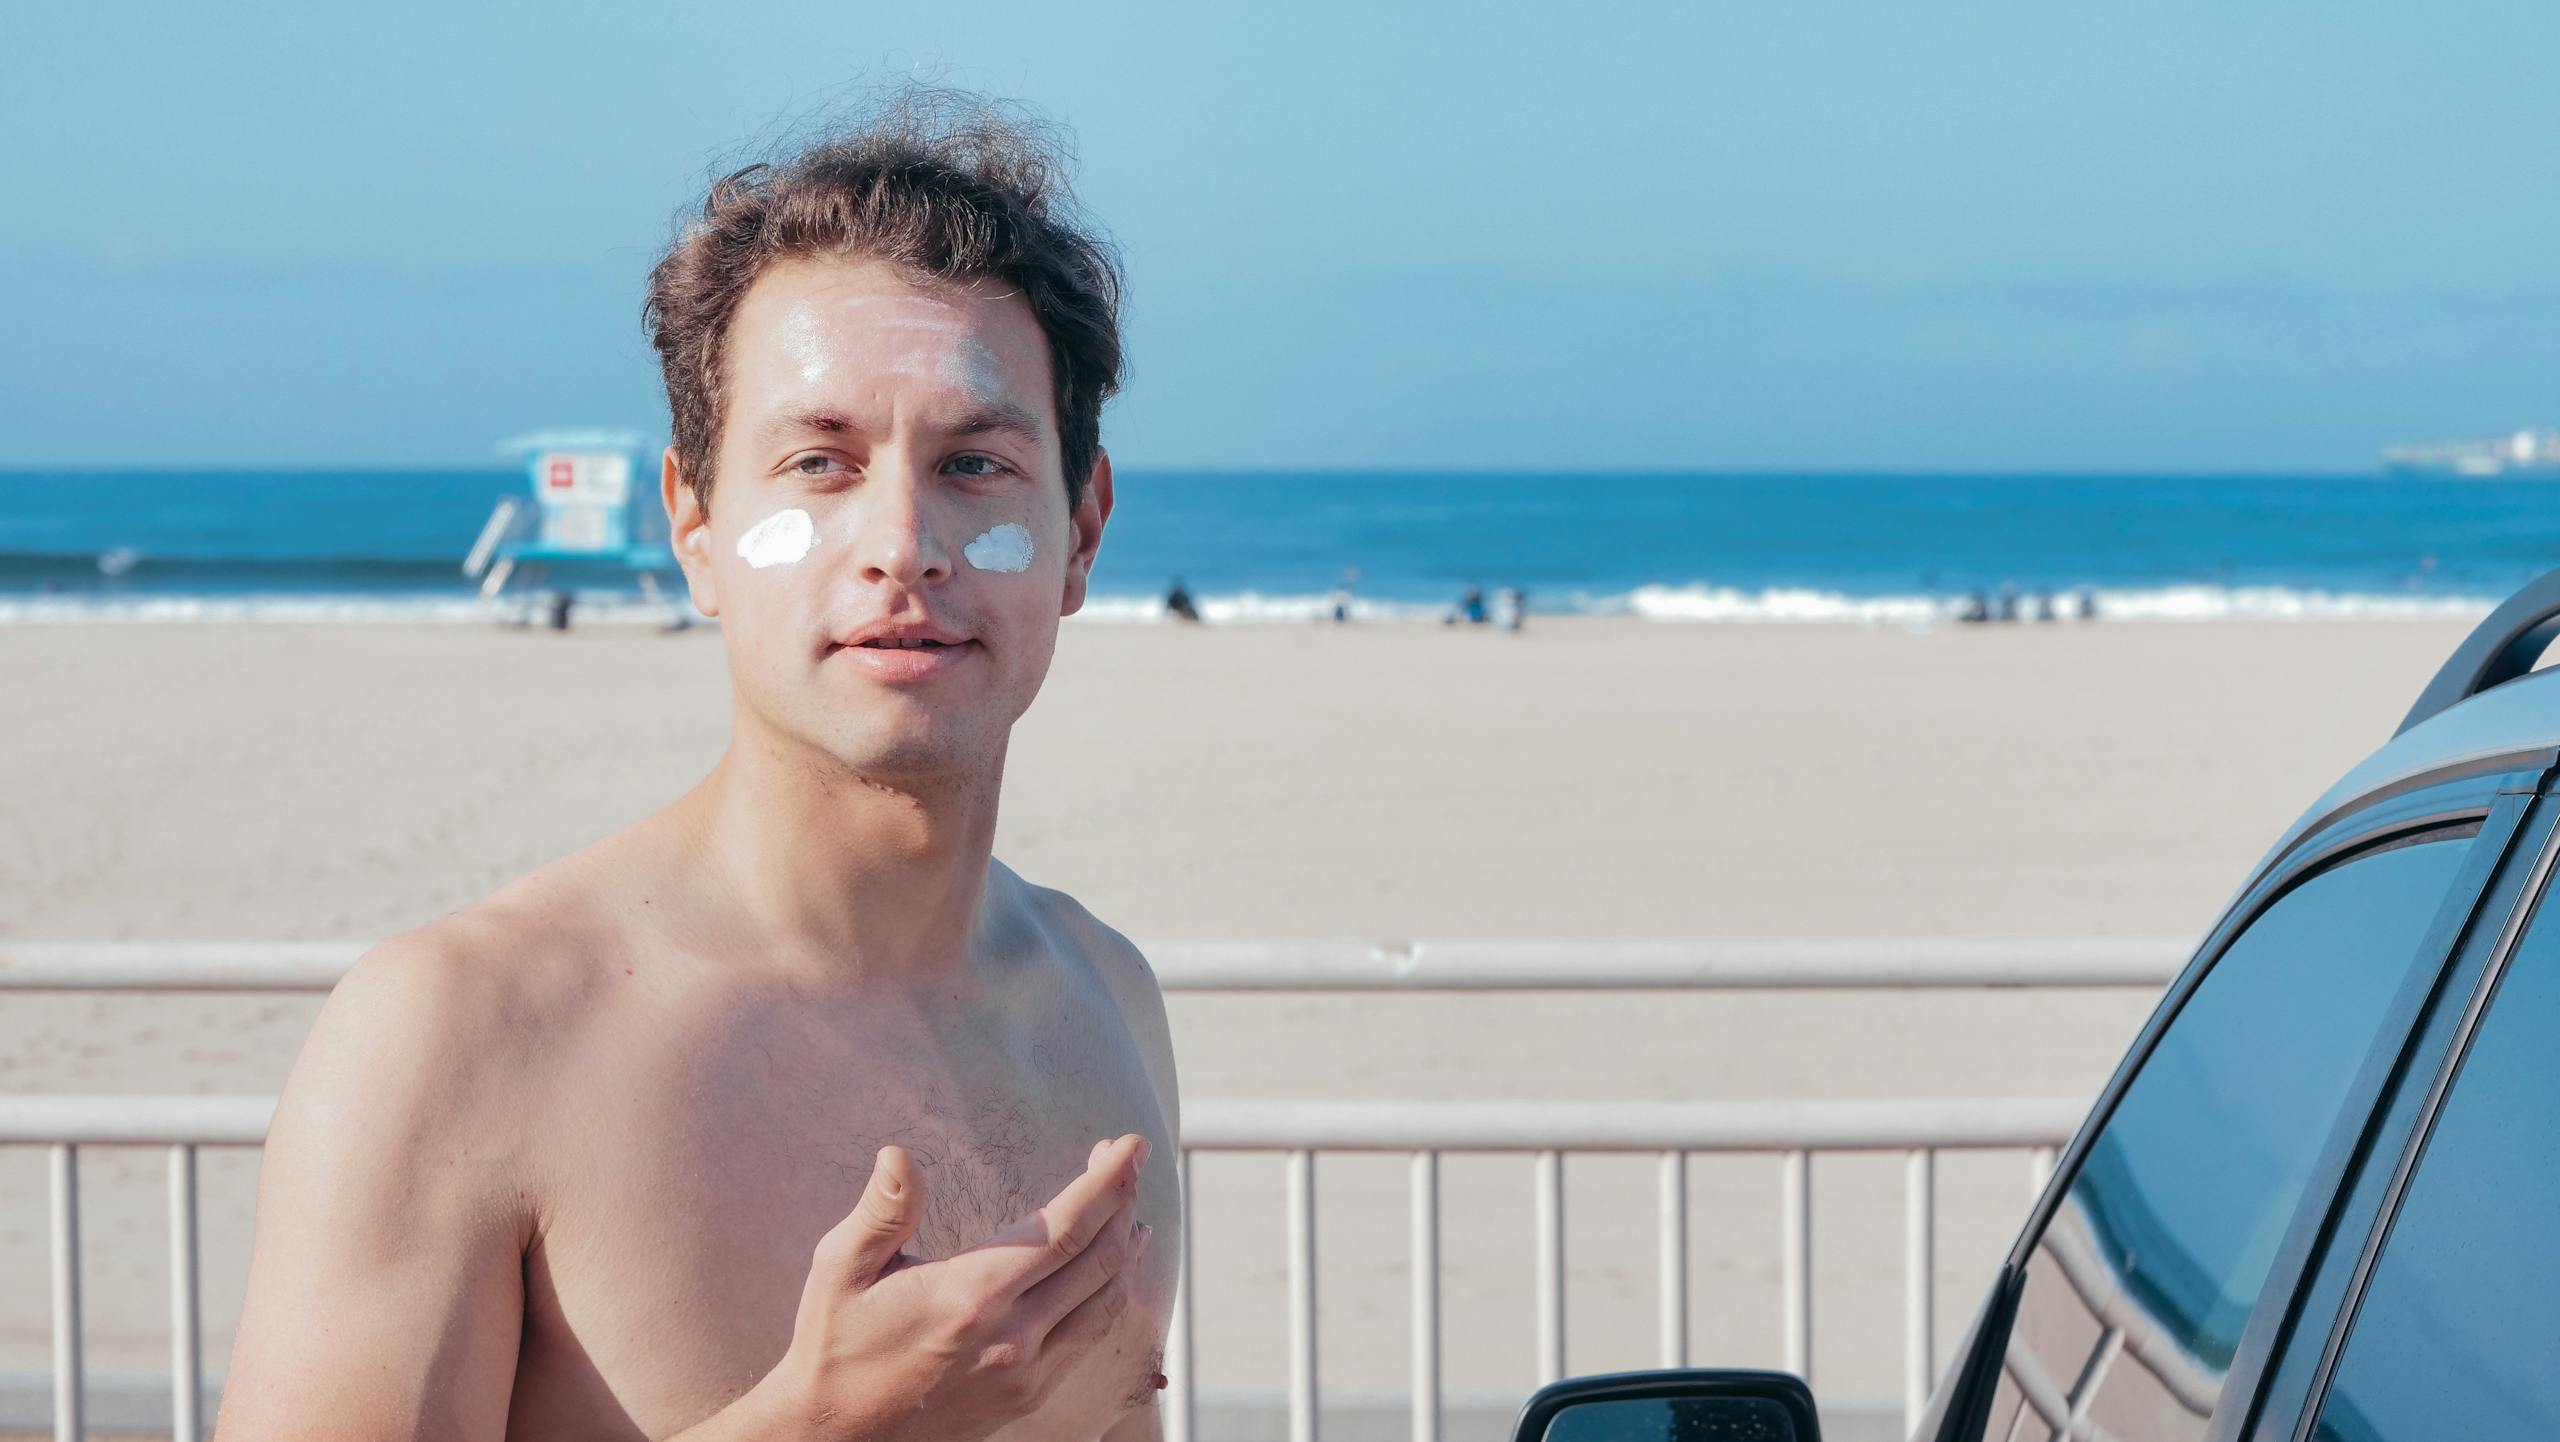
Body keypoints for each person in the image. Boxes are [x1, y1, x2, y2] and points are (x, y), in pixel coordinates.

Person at [217, 91, 1178, 1442]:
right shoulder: (460, 1038)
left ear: (1081, 529)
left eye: (975, 463)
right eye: (819, 462)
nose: (902, 544)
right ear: (697, 525)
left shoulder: (1107, 1002)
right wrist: (817, 1423)